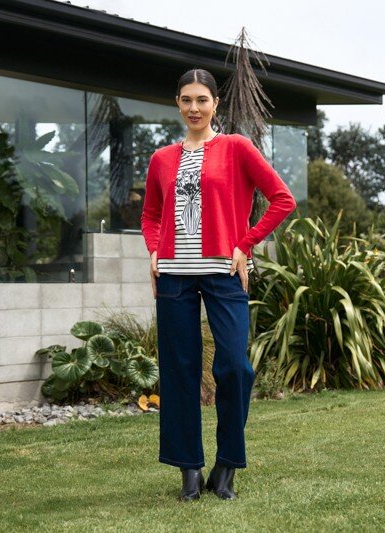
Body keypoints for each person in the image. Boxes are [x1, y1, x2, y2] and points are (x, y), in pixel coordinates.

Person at [140, 68, 297, 501]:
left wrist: (245, 244)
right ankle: (189, 469)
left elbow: (282, 199)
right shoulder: (161, 159)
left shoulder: (236, 148)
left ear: (215, 104)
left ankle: (227, 463)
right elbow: (151, 214)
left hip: (224, 273)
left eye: (202, 100)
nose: (194, 108)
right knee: (179, 371)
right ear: (177, 103)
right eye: (186, 99)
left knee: (234, 366)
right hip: (173, 276)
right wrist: (153, 249)